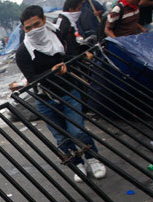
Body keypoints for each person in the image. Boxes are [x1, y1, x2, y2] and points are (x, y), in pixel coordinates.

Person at [16, 5, 106, 182]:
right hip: (45, 97)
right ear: (23, 29)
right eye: (28, 28)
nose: (34, 30)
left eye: (36, 24)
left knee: (77, 130)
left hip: (68, 90)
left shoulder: (58, 36)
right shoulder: (23, 52)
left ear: (44, 21)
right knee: (61, 137)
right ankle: (77, 162)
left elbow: (71, 57)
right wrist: (52, 71)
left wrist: (68, 65)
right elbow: (31, 78)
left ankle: (92, 158)